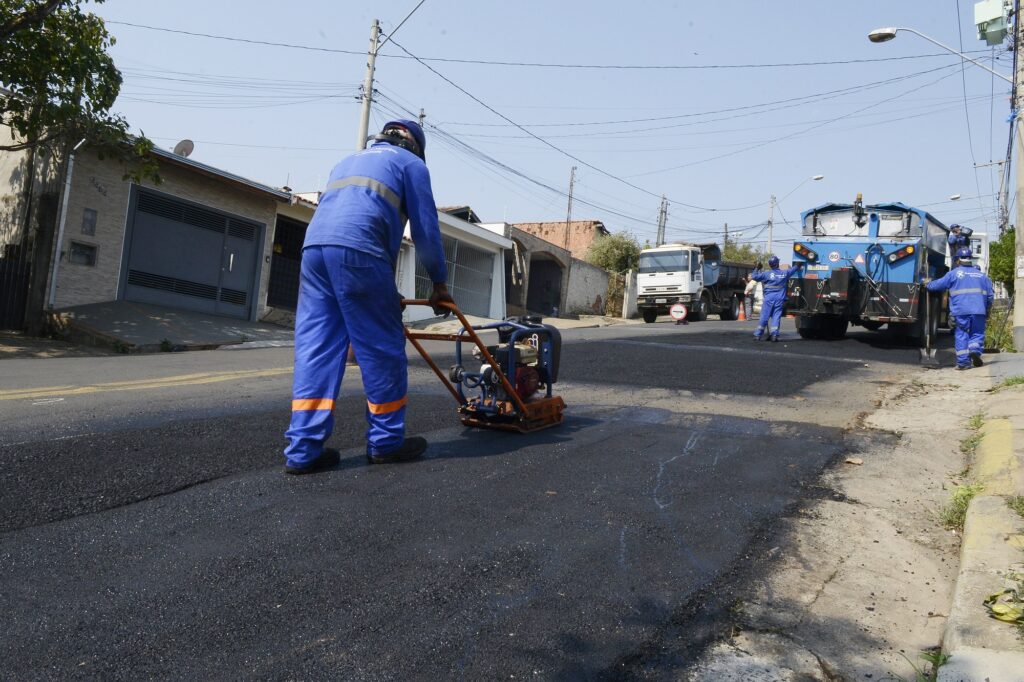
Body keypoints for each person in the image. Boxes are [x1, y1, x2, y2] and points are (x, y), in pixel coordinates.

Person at [283, 119, 454, 474]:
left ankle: (303, 451)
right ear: (415, 146)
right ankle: (386, 443)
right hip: (360, 253)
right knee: (381, 349)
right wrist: (439, 283)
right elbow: (425, 230)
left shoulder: (347, 161)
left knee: (316, 349)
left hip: (314, 251)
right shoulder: (412, 165)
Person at [925, 246, 994, 370]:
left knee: (961, 334)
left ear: (957, 260)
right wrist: (987, 309)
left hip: (960, 311)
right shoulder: (982, 276)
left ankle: (963, 363)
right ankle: (974, 351)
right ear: (970, 259)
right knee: (977, 333)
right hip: (979, 310)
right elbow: (989, 296)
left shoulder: (954, 274)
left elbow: (937, 285)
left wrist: (927, 284)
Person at [751, 255, 804, 342]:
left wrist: (756, 268)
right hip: (779, 299)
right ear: (778, 263)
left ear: (770, 265)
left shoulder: (766, 274)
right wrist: (798, 264)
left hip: (768, 299)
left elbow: (754, 277)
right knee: (776, 316)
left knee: (764, 317)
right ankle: (774, 335)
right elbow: (793, 270)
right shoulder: (784, 273)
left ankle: (758, 335)